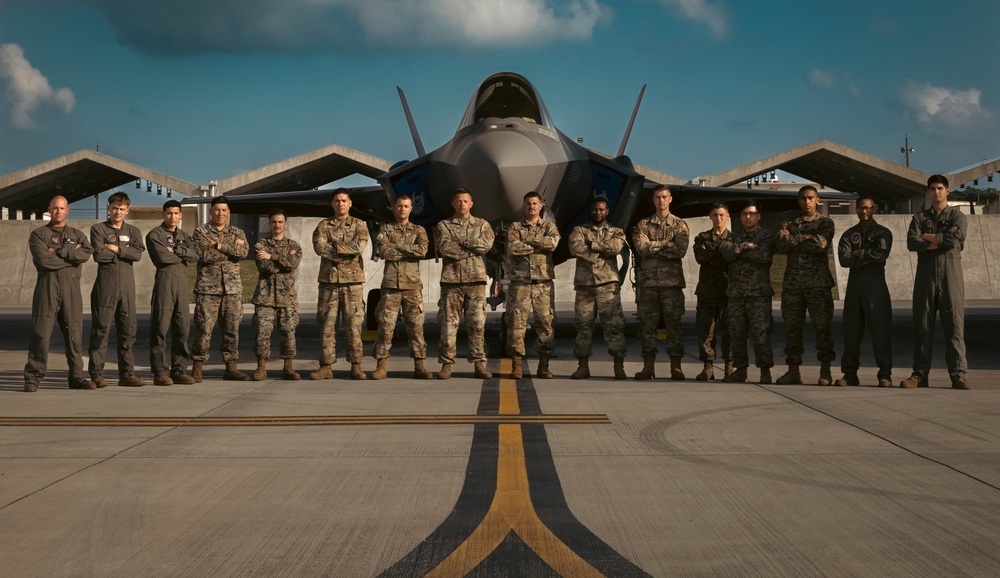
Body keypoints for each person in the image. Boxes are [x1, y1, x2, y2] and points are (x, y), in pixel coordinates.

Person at [901, 175, 970, 389]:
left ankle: (958, 375)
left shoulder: (958, 216)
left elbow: (954, 240)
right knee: (922, 327)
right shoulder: (919, 217)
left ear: (947, 191)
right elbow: (912, 242)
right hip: (925, 278)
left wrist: (928, 237)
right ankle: (919, 375)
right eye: (932, 189)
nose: (936, 192)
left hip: (951, 277)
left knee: (955, 326)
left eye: (940, 188)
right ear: (928, 192)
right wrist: (940, 238)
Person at [23, 195, 95, 392]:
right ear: (49, 209)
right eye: (55, 208)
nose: (58, 211)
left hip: (71, 289)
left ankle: (77, 377)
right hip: (47, 288)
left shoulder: (77, 234)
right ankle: (33, 377)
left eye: (62, 208)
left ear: (67, 211)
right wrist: (72, 257)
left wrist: (59, 252)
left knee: (74, 334)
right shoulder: (39, 234)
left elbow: (86, 253)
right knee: (41, 333)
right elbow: (44, 260)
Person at [775, 185, 836, 386]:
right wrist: (805, 239)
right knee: (792, 329)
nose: (807, 201)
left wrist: (794, 238)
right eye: (803, 198)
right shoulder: (788, 222)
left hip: (818, 285)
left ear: (818, 200)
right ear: (798, 201)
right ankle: (793, 370)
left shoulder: (825, 222)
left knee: (822, 327)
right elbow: (781, 244)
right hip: (793, 285)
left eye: (811, 198)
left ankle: (825, 370)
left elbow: (820, 244)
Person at [435, 188, 495, 380]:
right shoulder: (443, 225)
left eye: (465, 201)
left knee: (477, 324)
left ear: (471, 203)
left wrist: (461, 242)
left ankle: (479, 364)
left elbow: (485, 247)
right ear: (453, 204)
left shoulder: (482, 225)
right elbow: (445, 248)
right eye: (458, 201)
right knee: (448, 325)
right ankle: (446, 364)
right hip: (451, 282)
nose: (462, 204)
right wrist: (472, 247)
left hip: (476, 282)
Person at [370, 195, 432, 380]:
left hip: (412, 287)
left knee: (416, 327)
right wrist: (407, 249)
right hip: (391, 286)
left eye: (406, 206)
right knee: (385, 327)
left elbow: (422, 251)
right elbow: (383, 251)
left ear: (411, 208)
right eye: (399, 206)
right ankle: (381, 365)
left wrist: (396, 246)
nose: (402, 209)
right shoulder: (385, 229)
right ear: (394, 208)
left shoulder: (419, 230)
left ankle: (419, 365)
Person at [88, 191, 146, 387]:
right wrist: (124, 253)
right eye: (115, 208)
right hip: (105, 287)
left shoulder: (134, 231)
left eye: (122, 209)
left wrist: (116, 249)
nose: (118, 212)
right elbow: (98, 255)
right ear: (108, 208)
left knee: (128, 332)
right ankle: (96, 374)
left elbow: (137, 255)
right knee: (101, 330)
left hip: (127, 288)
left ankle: (127, 374)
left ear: (127, 210)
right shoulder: (98, 229)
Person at [632, 184, 690, 380]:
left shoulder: (680, 225)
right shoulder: (643, 224)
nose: (661, 200)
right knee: (647, 327)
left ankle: (676, 367)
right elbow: (640, 248)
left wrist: (651, 245)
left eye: (664, 197)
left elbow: (680, 250)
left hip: (671, 286)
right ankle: (648, 367)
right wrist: (666, 244)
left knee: (674, 326)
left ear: (670, 199)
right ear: (653, 199)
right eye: (657, 197)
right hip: (648, 285)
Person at [567, 195, 627, 380]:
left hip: (607, 286)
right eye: (595, 209)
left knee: (614, 327)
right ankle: (583, 367)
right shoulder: (579, 230)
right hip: (585, 287)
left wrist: (591, 245)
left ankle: (619, 366)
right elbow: (575, 248)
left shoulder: (617, 231)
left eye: (602, 209)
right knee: (583, 328)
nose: (598, 212)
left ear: (607, 211)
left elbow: (615, 247)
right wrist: (600, 250)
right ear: (590, 211)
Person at [191, 196, 250, 381]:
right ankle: (197, 366)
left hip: (232, 290)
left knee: (232, 329)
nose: (220, 213)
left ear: (229, 212)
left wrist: (218, 245)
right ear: (210, 211)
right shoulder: (201, 232)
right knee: (204, 329)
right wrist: (230, 250)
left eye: (224, 210)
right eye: (217, 209)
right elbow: (203, 254)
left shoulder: (237, 231)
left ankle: (231, 367)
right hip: (208, 289)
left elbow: (243, 252)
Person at [836, 198, 893, 387]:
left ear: (873, 209)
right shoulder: (849, 234)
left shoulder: (883, 232)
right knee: (851, 332)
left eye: (867, 208)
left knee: (881, 331)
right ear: (856, 209)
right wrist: (869, 256)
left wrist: (859, 254)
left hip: (876, 286)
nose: (864, 212)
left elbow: (882, 255)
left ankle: (885, 374)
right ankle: (850, 373)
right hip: (855, 287)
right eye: (860, 208)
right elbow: (844, 260)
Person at [312, 188, 368, 380]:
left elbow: (359, 247)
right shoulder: (323, 225)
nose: (340, 204)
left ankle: (356, 365)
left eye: (344, 200)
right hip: (329, 282)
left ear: (350, 203)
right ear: (332, 203)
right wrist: (344, 251)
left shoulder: (359, 225)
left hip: (352, 283)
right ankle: (326, 366)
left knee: (354, 324)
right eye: (337, 200)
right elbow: (320, 248)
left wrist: (334, 247)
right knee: (327, 324)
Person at [505, 191, 560, 379]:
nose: (531, 206)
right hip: (520, 284)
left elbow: (552, 244)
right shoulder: (514, 227)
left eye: (534, 203)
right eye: (528, 203)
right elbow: (513, 247)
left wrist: (527, 241)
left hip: (542, 284)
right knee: (516, 326)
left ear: (540, 206)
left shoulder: (549, 226)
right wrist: (539, 244)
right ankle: (517, 365)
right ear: (523, 206)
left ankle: (543, 366)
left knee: (546, 325)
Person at [719, 200, 775, 383]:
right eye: (744, 214)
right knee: (737, 334)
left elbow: (763, 256)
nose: (748, 217)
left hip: (758, 295)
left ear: (758, 216)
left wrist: (738, 251)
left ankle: (765, 371)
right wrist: (746, 247)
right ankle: (740, 370)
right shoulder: (733, 237)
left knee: (761, 334)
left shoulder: (766, 236)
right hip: (736, 295)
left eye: (751, 213)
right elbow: (726, 253)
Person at [146, 199, 197, 386]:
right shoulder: (155, 235)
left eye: (176, 213)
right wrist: (182, 254)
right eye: (169, 213)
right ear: (163, 214)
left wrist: (176, 249)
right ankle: (160, 371)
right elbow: (162, 257)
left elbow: (195, 255)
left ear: (181, 215)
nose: (172, 216)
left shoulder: (184, 235)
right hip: (164, 283)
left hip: (181, 285)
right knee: (160, 328)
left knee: (182, 328)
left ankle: (179, 369)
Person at [252, 208, 302, 381]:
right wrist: (282, 259)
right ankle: (261, 367)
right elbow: (264, 267)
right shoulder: (261, 245)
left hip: (287, 298)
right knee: (262, 334)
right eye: (274, 222)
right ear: (269, 223)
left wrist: (272, 256)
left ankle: (288, 367)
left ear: (286, 224)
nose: (277, 225)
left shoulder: (294, 246)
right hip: (265, 298)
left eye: (280, 222)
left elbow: (292, 264)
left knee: (289, 333)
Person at [693, 202, 734, 381]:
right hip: (707, 292)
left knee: (729, 330)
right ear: (710, 216)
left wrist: (713, 252)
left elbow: (732, 258)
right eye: (715, 215)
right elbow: (700, 257)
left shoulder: (735, 239)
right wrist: (722, 252)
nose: (718, 218)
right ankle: (708, 367)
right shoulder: (701, 238)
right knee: (706, 329)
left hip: (728, 291)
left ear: (728, 216)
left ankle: (729, 367)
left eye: (721, 215)